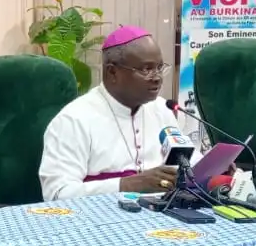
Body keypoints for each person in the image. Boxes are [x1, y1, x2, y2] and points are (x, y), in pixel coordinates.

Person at [39, 26, 188, 201]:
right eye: (146, 69)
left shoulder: (163, 109)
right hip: (96, 222)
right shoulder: (73, 120)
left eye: (159, 67)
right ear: (112, 72)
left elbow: (189, 162)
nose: (157, 77)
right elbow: (56, 194)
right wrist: (126, 184)